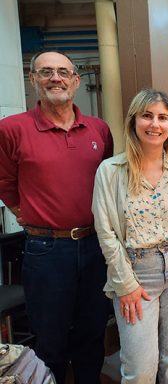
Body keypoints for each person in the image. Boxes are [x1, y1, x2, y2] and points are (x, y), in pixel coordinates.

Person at [0, 51, 113, 384]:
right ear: (33, 79)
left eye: (63, 72)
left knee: (92, 333)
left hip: (95, 245)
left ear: (76, 81)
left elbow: (108, 180)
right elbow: (5, 182)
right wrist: (25, 213)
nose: (55, 78)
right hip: (46, 249)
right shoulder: (12, 129)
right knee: (51, 339)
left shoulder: (98, 129)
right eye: (46, 72)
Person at [92, 88, 168, 383]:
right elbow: (106, 232)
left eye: (162, 117)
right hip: (136, 272)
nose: (155, 124)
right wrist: (125, 283)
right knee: (140, 368)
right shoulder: (111, 171)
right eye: (147, 116)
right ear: (134, 120)